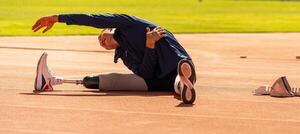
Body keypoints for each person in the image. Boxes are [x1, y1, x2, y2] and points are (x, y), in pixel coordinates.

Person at [32, 14, 197, 104]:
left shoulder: (129, 24)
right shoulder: (124, 56)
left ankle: (182, 81)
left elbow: (93, 19)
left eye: (101, 36)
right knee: (112, 80)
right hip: (157, 81)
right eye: (100, 44)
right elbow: (146, 73)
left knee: (166, 43)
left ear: (110, 29)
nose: (101, 43)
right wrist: (149, 45)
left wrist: (58, 18)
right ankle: (51, 81)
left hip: (175, 61)